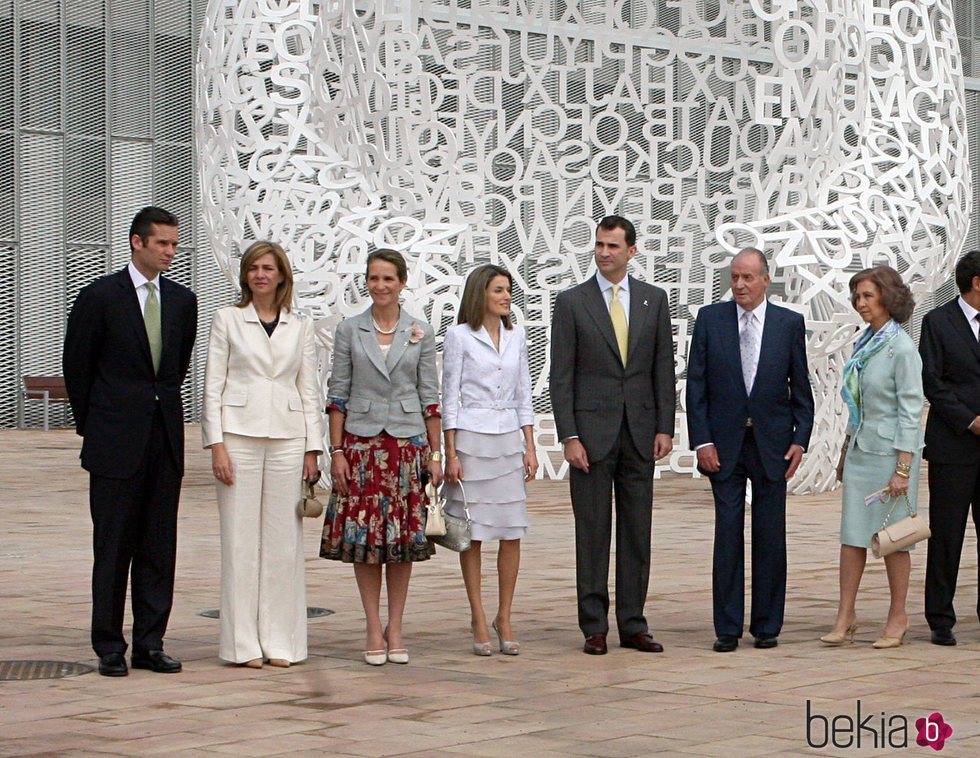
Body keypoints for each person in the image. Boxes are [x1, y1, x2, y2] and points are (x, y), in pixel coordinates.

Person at [63, 207, 198, 677]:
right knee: (114, 544)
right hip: (114, 442)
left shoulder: (183, 301)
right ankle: (109, 645)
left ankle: (150, 642)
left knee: (159, 546)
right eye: (162, 243)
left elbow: (175, 369)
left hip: (163, 439)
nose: (170, 252)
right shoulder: (100, 296)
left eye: (174, 244)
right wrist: (97, 425)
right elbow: (78, 368)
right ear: (136, 243)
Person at [549, 215, 675, 656]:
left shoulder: (653, 300)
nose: (604, 252)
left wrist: (665, 426)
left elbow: (663, 366)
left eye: (613, 246)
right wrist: (569, 436)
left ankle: (634, 623)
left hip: (640, 432)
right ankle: (593, 625)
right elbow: (560, 376)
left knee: (638, 532)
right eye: (599, 245)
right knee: (593, 531)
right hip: (591, 435)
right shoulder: (572, 302)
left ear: (632, 251)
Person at [201, 241, 324, 668]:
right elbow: (212, 385)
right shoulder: (227, 320)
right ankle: (242, 644)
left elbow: (309, 389)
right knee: (239, 540)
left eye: (268, 268)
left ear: (282, 275)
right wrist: (215, 443)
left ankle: (281, 641)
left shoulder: (299, 326)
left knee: (283, 543)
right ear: (245, 275)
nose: (260, 275)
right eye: (253, 268)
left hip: (289, 437)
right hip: (238, 435)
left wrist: (313, 446)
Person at [686, 248, 813, 653]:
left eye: (747, 278)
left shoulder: (788, 323)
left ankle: (767, 625)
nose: (738, 285)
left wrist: (800, 439)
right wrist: (701, 440)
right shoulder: (710, 320)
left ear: (765, 279)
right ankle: (726, 627)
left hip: (772, 445)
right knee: (727, 533)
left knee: (770, 534)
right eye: (734, 277)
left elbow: (801, 390)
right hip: (723, 446)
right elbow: (696, 387)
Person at [320, 248, 442, 665]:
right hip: (361, 446)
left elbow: (430, 398)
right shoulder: (350, 330)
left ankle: (397, 626)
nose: (381, 285)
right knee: (366, 539)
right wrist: (336, 451)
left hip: (407, 447)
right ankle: (372, 625)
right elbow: (337, 394)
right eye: (374, 278)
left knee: (403, 541)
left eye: (388, 278)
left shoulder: (420, 331)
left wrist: (436, 453)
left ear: (403, 282)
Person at [822, 266, 922, 649]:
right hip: (864, 450)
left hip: (893, 457)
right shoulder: (865, 342)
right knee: (852, 537)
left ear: (887, 297)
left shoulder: (902, 348)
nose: (860, 303)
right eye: (857, 297)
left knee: (895, 539)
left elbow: (911, 411)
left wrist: (902, 468)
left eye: (867, 296)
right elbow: (857, 406)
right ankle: (845, 615)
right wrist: (846, 451)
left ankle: (898, 616)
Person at [442, 265, 538, 656]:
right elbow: (450, 397)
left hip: (507, 440)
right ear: (481, 293)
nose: (505, 296)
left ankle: (505, 614)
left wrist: (530, 445)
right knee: (474, 533)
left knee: (511, 529)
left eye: (508, 290)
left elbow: (524, 393)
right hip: (471, 439)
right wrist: (449, 452)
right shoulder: (459, 337)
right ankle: (478, 615)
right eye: (498, 290)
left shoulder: (517, 336)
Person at [919, 250, 980, 647]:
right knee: (946, 534)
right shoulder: (937, 322)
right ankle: (940, 618)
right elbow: (932, 382)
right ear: (977, 283)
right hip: (953, 448)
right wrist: (970, 420)